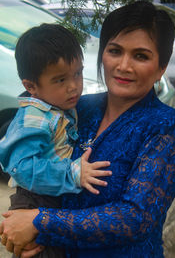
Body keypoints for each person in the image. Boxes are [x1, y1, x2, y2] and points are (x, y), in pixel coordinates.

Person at [0, 0, 175, 258]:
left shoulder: (166, 128)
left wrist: (38, 221)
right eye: (114, 51)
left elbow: (134, 218)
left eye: (140, 56)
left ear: (161, 68)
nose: (123, 65)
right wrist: (17, 225)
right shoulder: (80, 107)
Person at [0, 23, 111, 258]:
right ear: (31, 86)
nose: (74, 86)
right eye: (60, 80)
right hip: (33, 200)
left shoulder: (56, 106)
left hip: (49, 199)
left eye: (78, 73)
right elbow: (22, 167)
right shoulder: (33, 119)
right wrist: (73, 174)